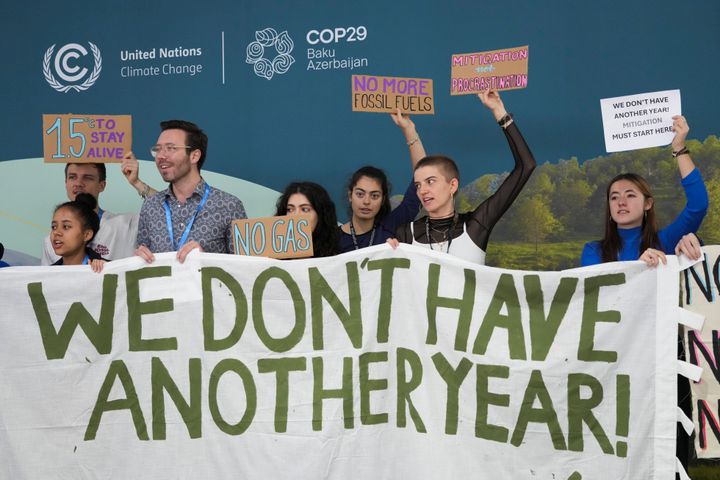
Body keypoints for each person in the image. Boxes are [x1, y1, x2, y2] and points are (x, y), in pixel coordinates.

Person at [389, 89, 536, 264]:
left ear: (453, 185)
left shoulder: (476, 224)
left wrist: (499, 112)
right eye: (418, 185)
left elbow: (526, 165)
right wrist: (388, 254)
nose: (423, 190)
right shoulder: (405, 233)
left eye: (430, 181)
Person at [581, 115, 708, 266]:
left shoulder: (666, 240)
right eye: (614, 197)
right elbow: (599, 290)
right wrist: (639, 269)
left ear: (648, 204)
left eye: (630, 195)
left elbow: (698, 205)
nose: (621, 202)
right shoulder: (593, 251)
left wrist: (679, 148)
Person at [131, 120, 247, 263]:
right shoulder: (151, 206)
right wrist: (138, 259)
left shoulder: (229, 206)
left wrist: (207, 261)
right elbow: (142, 260)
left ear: (194, 156)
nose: (161, 156)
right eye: (158, 149)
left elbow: (244, 270)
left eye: (170, 148)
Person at [339, 110, 424, 253]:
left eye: (374, 196)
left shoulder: (390, 226)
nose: (366, 202)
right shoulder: (332, 237)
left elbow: (421, 179)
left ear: (383, 199)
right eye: (360, 194)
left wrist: (409, 130)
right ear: (350, 195)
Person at [40, 163, 138, 264]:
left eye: (87, 178)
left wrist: (137, 183)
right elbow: (47, 278)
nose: (78, 183)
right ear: (66, 183)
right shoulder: (51, 243)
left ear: (101, 185)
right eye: (72, 177)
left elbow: (155, 222)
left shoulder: (126, 224)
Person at [275, 182, 339, 258]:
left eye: (305, 209)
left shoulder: (336, 257)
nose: (296, 215)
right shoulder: (272, 252)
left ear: (321, 215)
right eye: (290, 209)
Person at [50, 193, 106, 272]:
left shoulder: (106, 268)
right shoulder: (47, 275)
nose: (56, 232)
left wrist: (108, 269)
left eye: (66, 226)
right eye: (54, 227)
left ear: (86, 235)